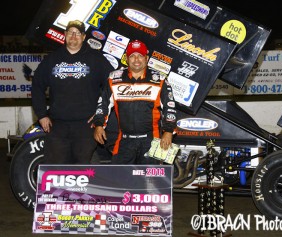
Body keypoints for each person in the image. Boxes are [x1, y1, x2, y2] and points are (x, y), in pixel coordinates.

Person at [31, 20, 113, 164]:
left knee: (82, 170)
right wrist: (42, 114)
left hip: (86, 126)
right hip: (57, 126)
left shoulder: (96, 59)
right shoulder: (51, 59)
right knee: (58, 170)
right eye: (70, 32)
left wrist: (100, 113)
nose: (73, 36)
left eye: (77, 33)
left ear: (83, 36)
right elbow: (37, 86)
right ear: (64, 35)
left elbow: (113, 85)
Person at [93, 40, 177, 164]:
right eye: (132, 56)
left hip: (152, 140)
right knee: (118, 180)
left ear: (146, 58)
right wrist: (99, 125)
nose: (136, 59)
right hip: (124, 140)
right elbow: (103, 103)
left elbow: (170, 108)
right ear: (127, 59)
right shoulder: (114, 78)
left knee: (150, 181)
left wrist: (168, 132)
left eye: (140, 56)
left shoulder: (160, 79)